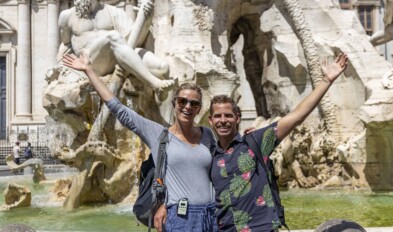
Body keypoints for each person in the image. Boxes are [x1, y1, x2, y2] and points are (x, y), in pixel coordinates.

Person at [62, 53, 218, 231]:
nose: (188, 107)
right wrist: (89, 70)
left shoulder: (208, 135)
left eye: (194, 104)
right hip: (179, 217)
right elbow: (118, 109)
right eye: (182, 101)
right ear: (174, 103)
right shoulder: (159, 134)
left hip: (211, 216)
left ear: (199, 109)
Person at [208, 54, 348, 231]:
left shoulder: (256, 142)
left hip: (262, 228)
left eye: (228, 115)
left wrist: (326, 81)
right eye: (218, 116)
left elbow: (296, 117)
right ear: (210, 120)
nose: (223, 120)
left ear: (237, 118)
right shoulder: (209, 155)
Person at [58, 0, 174, 94]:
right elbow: (66, 46)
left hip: (116, 58)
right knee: (113, 36)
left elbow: (134, 42)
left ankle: (160, 98)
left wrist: (146, 21)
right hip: (90, 62)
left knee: (162, 68)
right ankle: (155, 83)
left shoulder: (113, 12)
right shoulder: (67, 16)